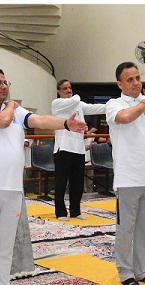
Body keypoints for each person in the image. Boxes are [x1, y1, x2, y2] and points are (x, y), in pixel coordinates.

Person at [0, 67, 88, 285]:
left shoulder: (14, 110)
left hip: (12, 188)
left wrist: (65, 123)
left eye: (5, 82)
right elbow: (1, 121)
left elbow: (39, 120)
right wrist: (12, 106)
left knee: (5, 244)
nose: (4, 87)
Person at [107, 63, 145, 285]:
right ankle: (125, 272)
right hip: (128, 177)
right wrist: (143, 105)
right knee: (126, 229)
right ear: (120, 84)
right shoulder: (115, 104)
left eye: (137, 78)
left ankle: (141, 269)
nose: (135, 83)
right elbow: (124, 118)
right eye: (129, 80)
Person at [49, 79, 107, 221]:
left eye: (70, 88)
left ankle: (75, 211)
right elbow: (75, 100)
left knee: (77, 183)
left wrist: (112, 105)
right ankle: (60, 212)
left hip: (78, 149)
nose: (69, 90)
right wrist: (76, 97)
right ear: (59, 92)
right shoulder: (57, 104)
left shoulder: (78, 104)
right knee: (61, 182)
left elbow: (95, 108)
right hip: (63, 149)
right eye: (65, 88)